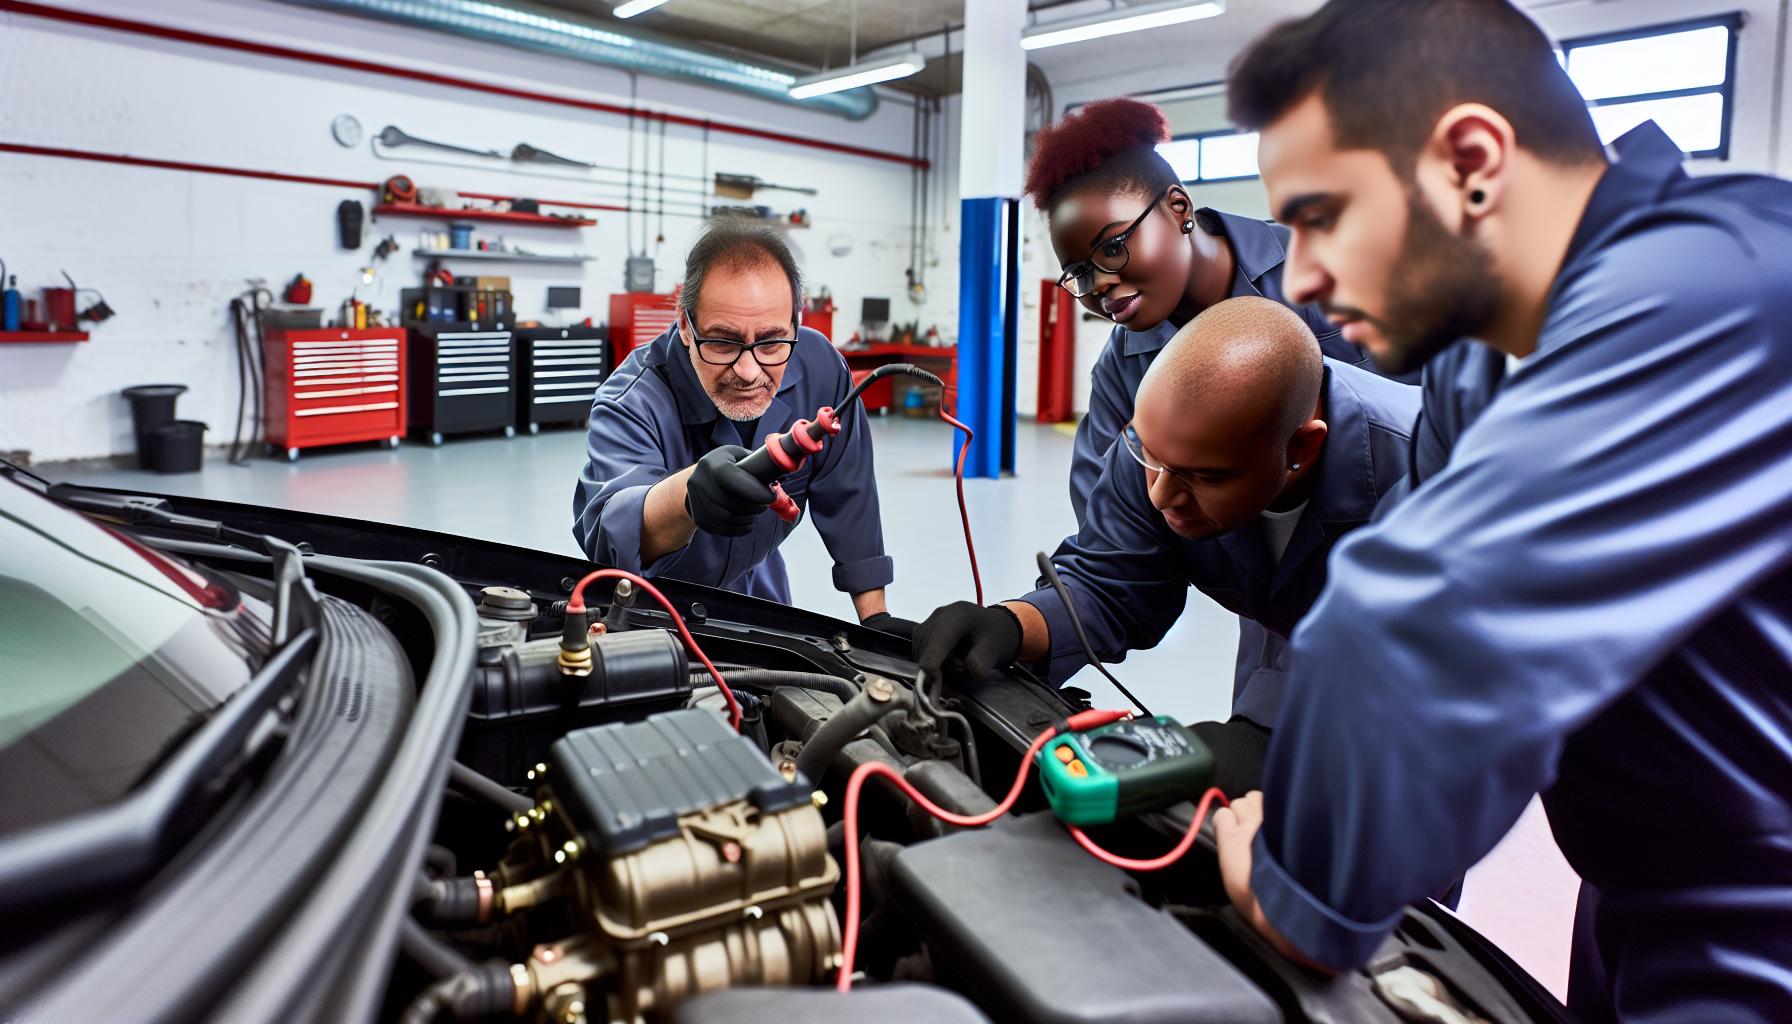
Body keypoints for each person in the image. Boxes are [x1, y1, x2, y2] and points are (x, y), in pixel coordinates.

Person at [1208, 2, 1792, 1021]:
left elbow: (1421, 616)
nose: (1297, 274)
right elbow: (1396, 554)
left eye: (1321, 216)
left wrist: (1299, 881)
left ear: (1471, 159)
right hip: (1635, 876)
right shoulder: (1476, 365)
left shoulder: (1716, 283)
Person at [913, 297, 1418, 794]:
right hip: (1290, 635)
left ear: (1300, 449)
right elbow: (1113, 582)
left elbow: (1416, 661)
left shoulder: (1430, 481)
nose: (1160, 493)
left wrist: (1274, 729)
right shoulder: (1169, 441)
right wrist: (1010, 626)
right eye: (1149, 456)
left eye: (1204, 477)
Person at [1023, 96, 1403, 526]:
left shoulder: (1331, 273)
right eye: (1079, 273)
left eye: (1112, 248)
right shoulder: (1123, 368)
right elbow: (1104, 521)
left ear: (1177, 208)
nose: (1101, 283)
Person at [572, 219, 901, 628]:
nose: (747, 371)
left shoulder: (821, 369)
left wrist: (876, 619)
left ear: (796, 324)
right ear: (685, 325)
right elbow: (611, 536)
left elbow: (850, 496)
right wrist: (688, 496)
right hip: (655, 612)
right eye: (723, 342)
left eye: (770, 342)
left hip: (762, 601)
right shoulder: (631, 401)